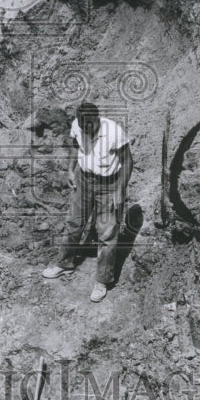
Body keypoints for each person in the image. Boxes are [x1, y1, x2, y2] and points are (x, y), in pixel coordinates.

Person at [41, 101, 134, 302]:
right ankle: (65, 264)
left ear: (97, 118)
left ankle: (102, 280)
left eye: (91, 125)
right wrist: (70, 169)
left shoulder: (114, 132)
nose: (87, 129)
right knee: (74, 223)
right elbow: (76, 146)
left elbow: (127, 161)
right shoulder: (78, 125)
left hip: (109, 184)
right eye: (84, 126)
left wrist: (120, 190)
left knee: (107, 233)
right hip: (84, 180)